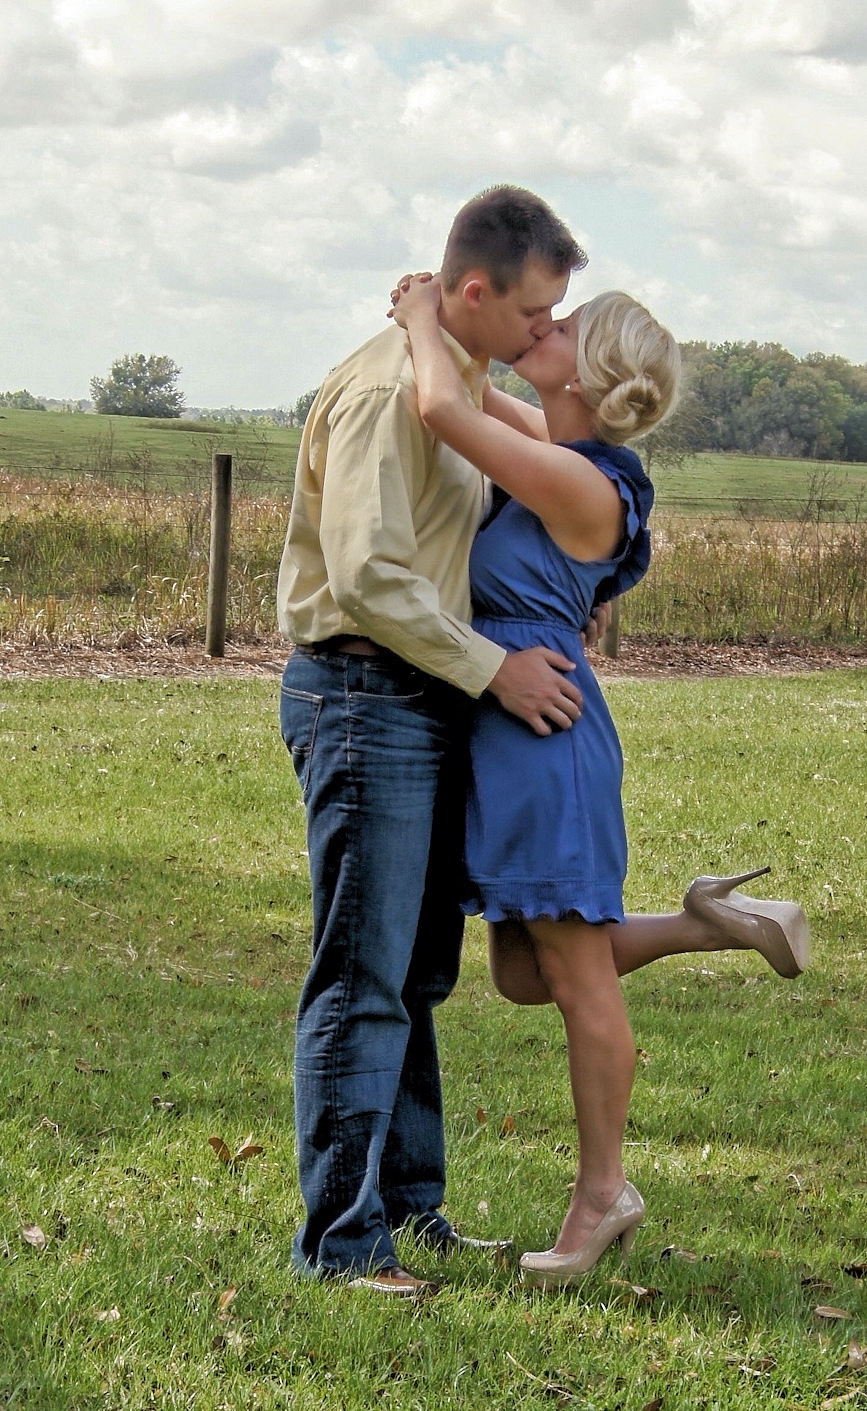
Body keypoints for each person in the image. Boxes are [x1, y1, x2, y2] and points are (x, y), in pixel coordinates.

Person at [390, 274, 809, 1288]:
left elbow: (444, 403)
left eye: (567, 324)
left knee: (573, 983)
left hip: (546, 744)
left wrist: (416, 319)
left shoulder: (586, 483)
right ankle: (713, 921)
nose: (547, 323)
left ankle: (603, 1194)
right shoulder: (559, 453)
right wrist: (452, 324)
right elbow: (474, 394)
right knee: (523, 973)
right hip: (517, 733)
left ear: (594, 370)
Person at [277, 186, 598, 1295]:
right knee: (361, 979)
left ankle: (411, 1215)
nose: (541, 335)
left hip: (422, 704)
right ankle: (342, 1244)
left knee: (414, 979)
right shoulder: (382, 394)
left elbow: (555, 451)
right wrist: (493, 668)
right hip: (365, 698)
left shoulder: (457, 379)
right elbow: (366, 577)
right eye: (532, 316)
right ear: (474, 291)